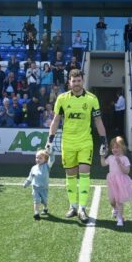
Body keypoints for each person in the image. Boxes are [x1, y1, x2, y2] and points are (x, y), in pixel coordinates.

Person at [46, 69, 107, 223]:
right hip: (67, 142)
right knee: (71, 175)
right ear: (69, 82)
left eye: (79, 80)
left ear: (82, 81)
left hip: (85, 141)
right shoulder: (62, 98)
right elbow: (56, 120)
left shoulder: (92, 99)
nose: (76, 84)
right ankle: (73, 206)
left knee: (85, 172)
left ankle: (82, 208)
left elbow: (98, 121)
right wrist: (50, 140)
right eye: (74, 81)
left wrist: (104, 140)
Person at [100, 136, 132, 227]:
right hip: (112, 181)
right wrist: (102, 156)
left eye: (117, 147)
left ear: (122, 147)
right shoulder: (111, 157)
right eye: (113, 147)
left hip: (121, 182)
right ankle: (115, 209)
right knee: (112, 200)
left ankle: (120, 218)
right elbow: (103, 164)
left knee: (119, 201)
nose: (114, 149)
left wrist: (119, 163)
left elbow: (127, 171)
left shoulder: (124, 158)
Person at [23, 149, 55, 220]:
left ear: (45, 159)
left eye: (40, 158)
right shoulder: (33, 168)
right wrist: (26, 183)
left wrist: (51, 153)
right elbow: (30, 177)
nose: (38, 159)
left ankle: (45, 208)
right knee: (36, 200)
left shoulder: (47, 166)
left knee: (44, 201)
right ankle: (36, 213)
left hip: (44, 188)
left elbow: (52, 160)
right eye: (37, 157)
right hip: (35, 188)